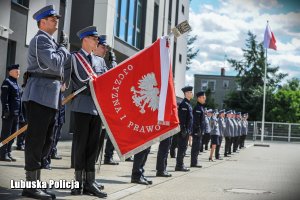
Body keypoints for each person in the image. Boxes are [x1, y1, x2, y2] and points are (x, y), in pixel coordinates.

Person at [21, 5, 70, 199]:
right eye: (52, 19)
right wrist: (63, 48)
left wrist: (60, 49)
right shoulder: (41, 39)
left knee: (47, 140)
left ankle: (36, 182)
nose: (56, 21)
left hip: (49, 95)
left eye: (56, 18)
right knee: (36, 140)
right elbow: (55, 63)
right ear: (42, 22)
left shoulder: (49, 41)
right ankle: (30, 185)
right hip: (39, 95)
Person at [65, 26, 107, 198]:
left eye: (97, 39)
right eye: (94, 39)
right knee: (80, 145)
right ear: (85, 39)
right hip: (82, 106)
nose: (97, 42)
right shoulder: (74, 58)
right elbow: (72, 81)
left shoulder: (100, 62)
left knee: (93, 146)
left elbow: (105, 82)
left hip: (97, 109)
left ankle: (89, 183)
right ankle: (77, 182)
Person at [94, 35, 119, 165]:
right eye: (102, 47)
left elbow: (112, 77)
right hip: (93, 105)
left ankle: (97, 161)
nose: (105, 50)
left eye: (106, 48)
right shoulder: (92, 60)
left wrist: (113, 61)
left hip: (102, 106)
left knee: (101, 137)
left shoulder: (103, 62)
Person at [0, 64, 21, 162]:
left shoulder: (16, 83)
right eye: (16, 70)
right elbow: (4, 98)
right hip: (9, 114)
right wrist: (6, 110)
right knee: (6, 134)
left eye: (18, 70)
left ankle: (8, 152)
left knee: (13, 135)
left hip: (16, 114)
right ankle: (2, 154)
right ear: (10, 72)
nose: (18, 72)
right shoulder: (7, 82)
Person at [175, 86, 193, 172]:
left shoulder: (188, 104)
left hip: (187, 130)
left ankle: (180, 164)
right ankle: (179, 165)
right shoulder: (184, 104)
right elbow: (182, 119)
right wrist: (183, 130)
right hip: (183, 130)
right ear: (186, 93)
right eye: (190, 92)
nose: (191, 93)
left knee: (184, 148)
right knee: (182, 148)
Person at [190, 91, 206, 168]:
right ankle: (193, 162)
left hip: (200, 131)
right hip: (197, 131)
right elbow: (196, 121)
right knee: (195, 146)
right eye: (203, 97)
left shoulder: (201, 107)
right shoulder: (197, 108)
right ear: (199, 98)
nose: (204, 98)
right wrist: (198, 129)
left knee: (198, 146)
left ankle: (195, 161)